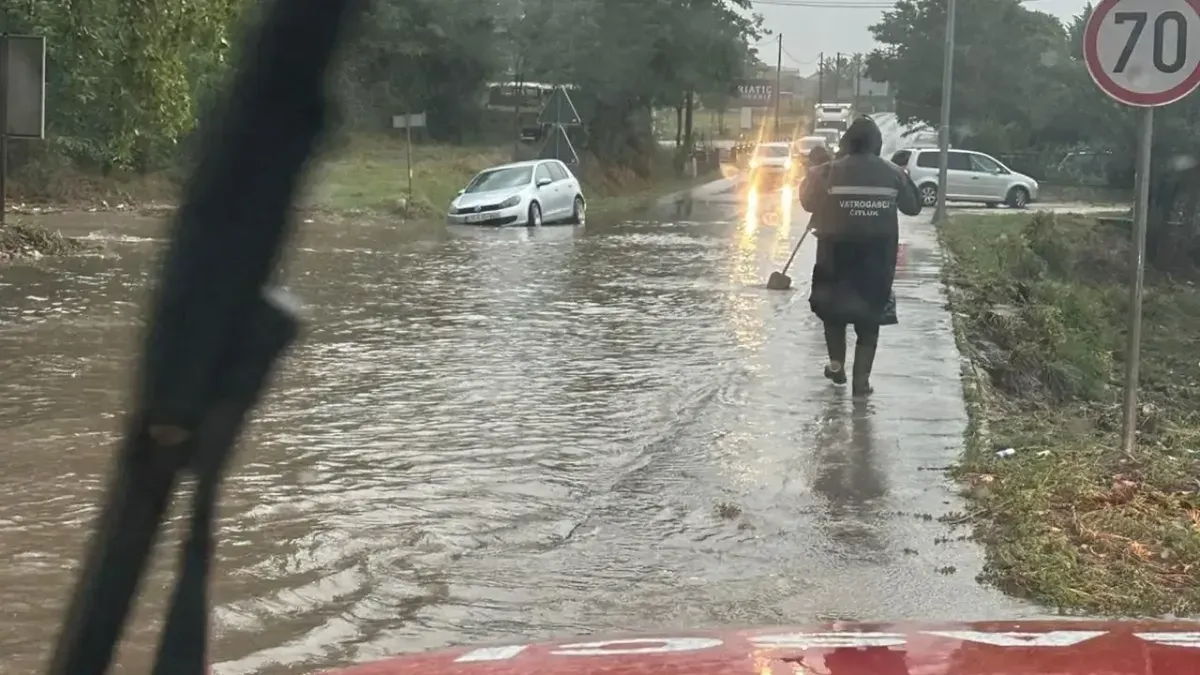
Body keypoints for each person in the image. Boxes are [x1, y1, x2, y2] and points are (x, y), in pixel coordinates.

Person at [800, 116, 921, 397]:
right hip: (877, 262)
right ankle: (861, 382)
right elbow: (914, 207)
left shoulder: (827, 172)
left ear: (846, 143)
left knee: (833, 315)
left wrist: (816, 175)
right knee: (869, 321)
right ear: (877, 144)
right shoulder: (893, 174)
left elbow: (807, 202)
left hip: (834, 258)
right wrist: (905, 177)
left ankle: (836, 365)